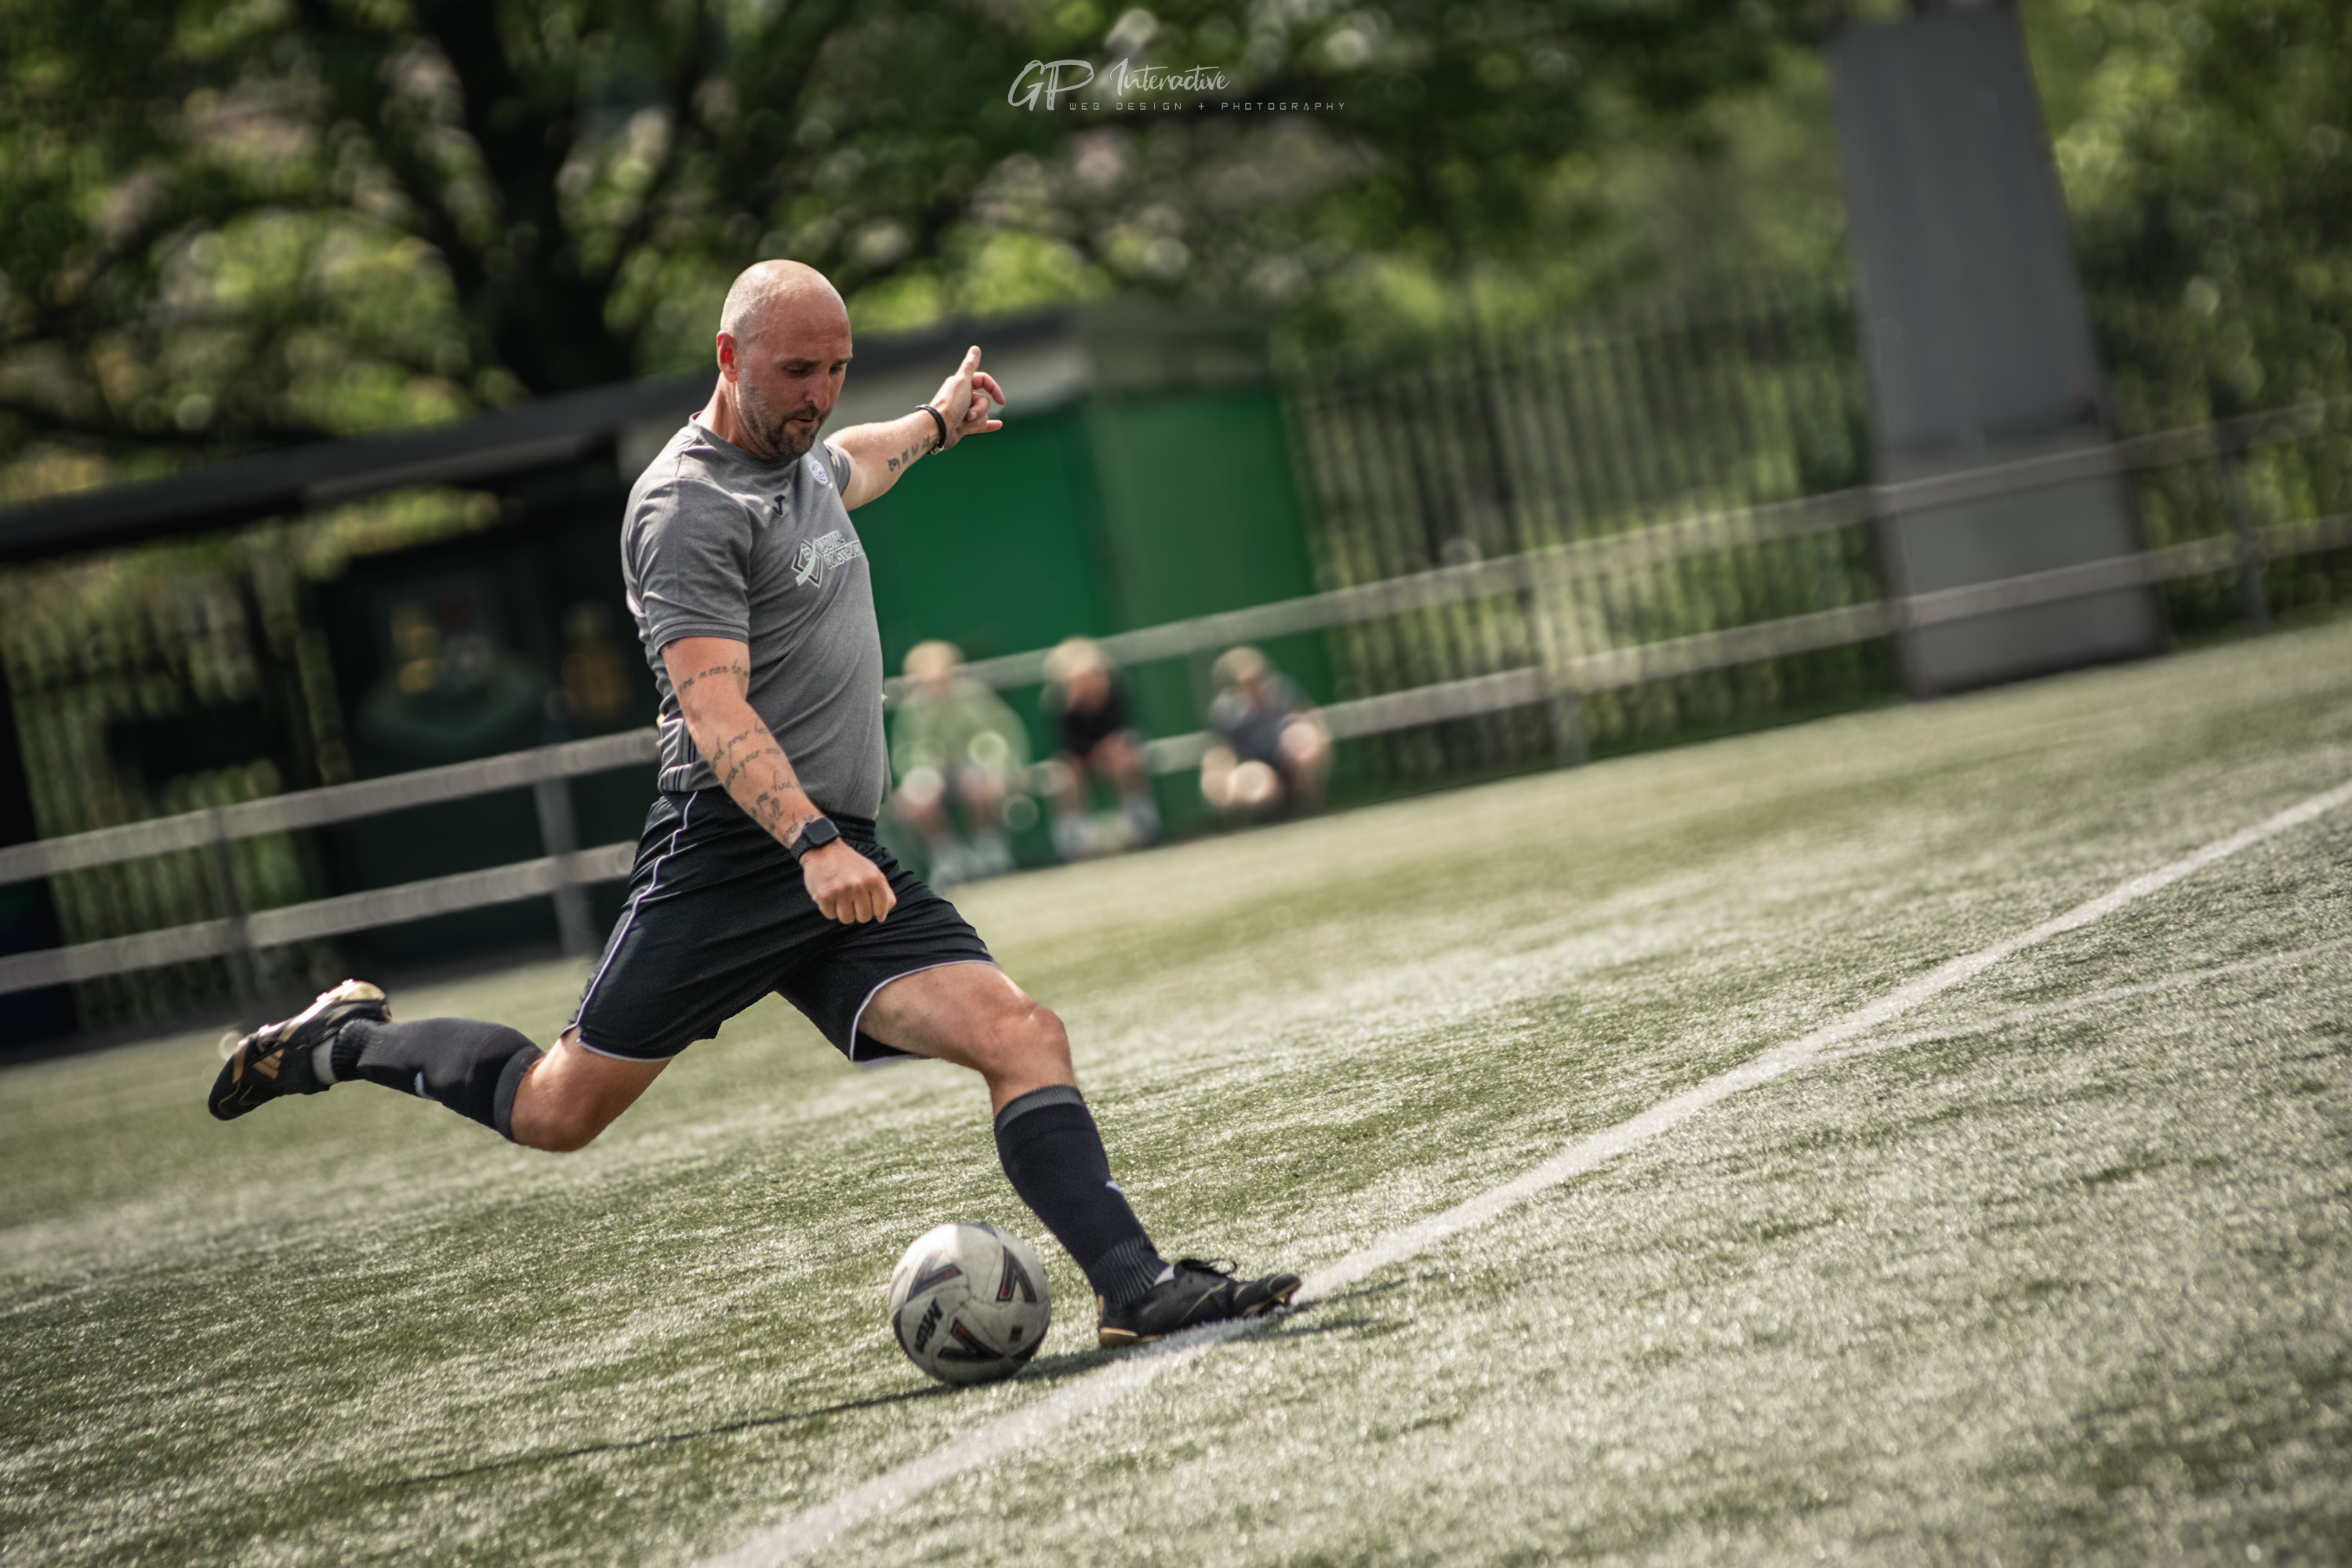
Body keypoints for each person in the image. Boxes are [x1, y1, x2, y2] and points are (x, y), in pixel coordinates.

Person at [208, 261, 1297, 1348]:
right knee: (554, 1111)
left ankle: (1134, 1288)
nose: (818, 392)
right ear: (728, 359)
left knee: (1022, 1032)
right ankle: (341, 1042)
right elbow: (715, 708)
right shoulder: (687, 504)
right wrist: (812, 839)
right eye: (795, 370)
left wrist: (937, 422)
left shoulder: (799, 463)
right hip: (734, 853)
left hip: (841, 859)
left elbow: (855, 464)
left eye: (836, 369)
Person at [888, 640, 1030, 886]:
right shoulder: (911, 708)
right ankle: (948, 858)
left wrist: (1004, 768)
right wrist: (920, 776)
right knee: (917, 801)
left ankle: (990, 852)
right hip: (933, 775)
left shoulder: (975, 695)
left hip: (974, 769)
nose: (936, 685)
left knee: (977, 784)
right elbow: (904, 754)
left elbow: (1004, 732)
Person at [1038, 636, 1160, 861]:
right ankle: (1074, 841)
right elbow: (1065, 745)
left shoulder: (1115, 689)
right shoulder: (1057, 702)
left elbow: (1124, 728)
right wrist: (1088, 754)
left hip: (1112, 752)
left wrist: (1108, 749)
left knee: (1124, 756)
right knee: (1062, 776)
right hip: (1080, 758)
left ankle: (1141, 825)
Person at [1200, 645, 1330, 821]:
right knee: (1255, 786)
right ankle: (1267, 816)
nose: (1252, 685)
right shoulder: (1226, 710)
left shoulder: (1283, 692)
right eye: (1245, 682)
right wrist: (1219, 774)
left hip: (1286, 760)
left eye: (1256, 679)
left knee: (1304, 737)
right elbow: (1221, 750)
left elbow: (1306, 722)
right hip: (1255, 767)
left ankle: (1303, 802)